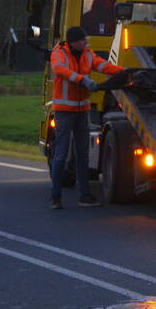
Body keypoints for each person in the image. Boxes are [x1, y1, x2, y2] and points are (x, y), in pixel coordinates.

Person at [48, 25, 132, 208]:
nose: (85, 43)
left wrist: (124, 71)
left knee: (83, 154)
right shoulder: (59, 53)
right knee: (61, 154)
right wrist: (82, 80)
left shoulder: (87, 53)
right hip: (64, 111)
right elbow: (60, 70)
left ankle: (84, 195)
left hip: (82, 110)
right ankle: (55, 197)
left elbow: (103, 66)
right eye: (82, 40)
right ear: (73, 42)